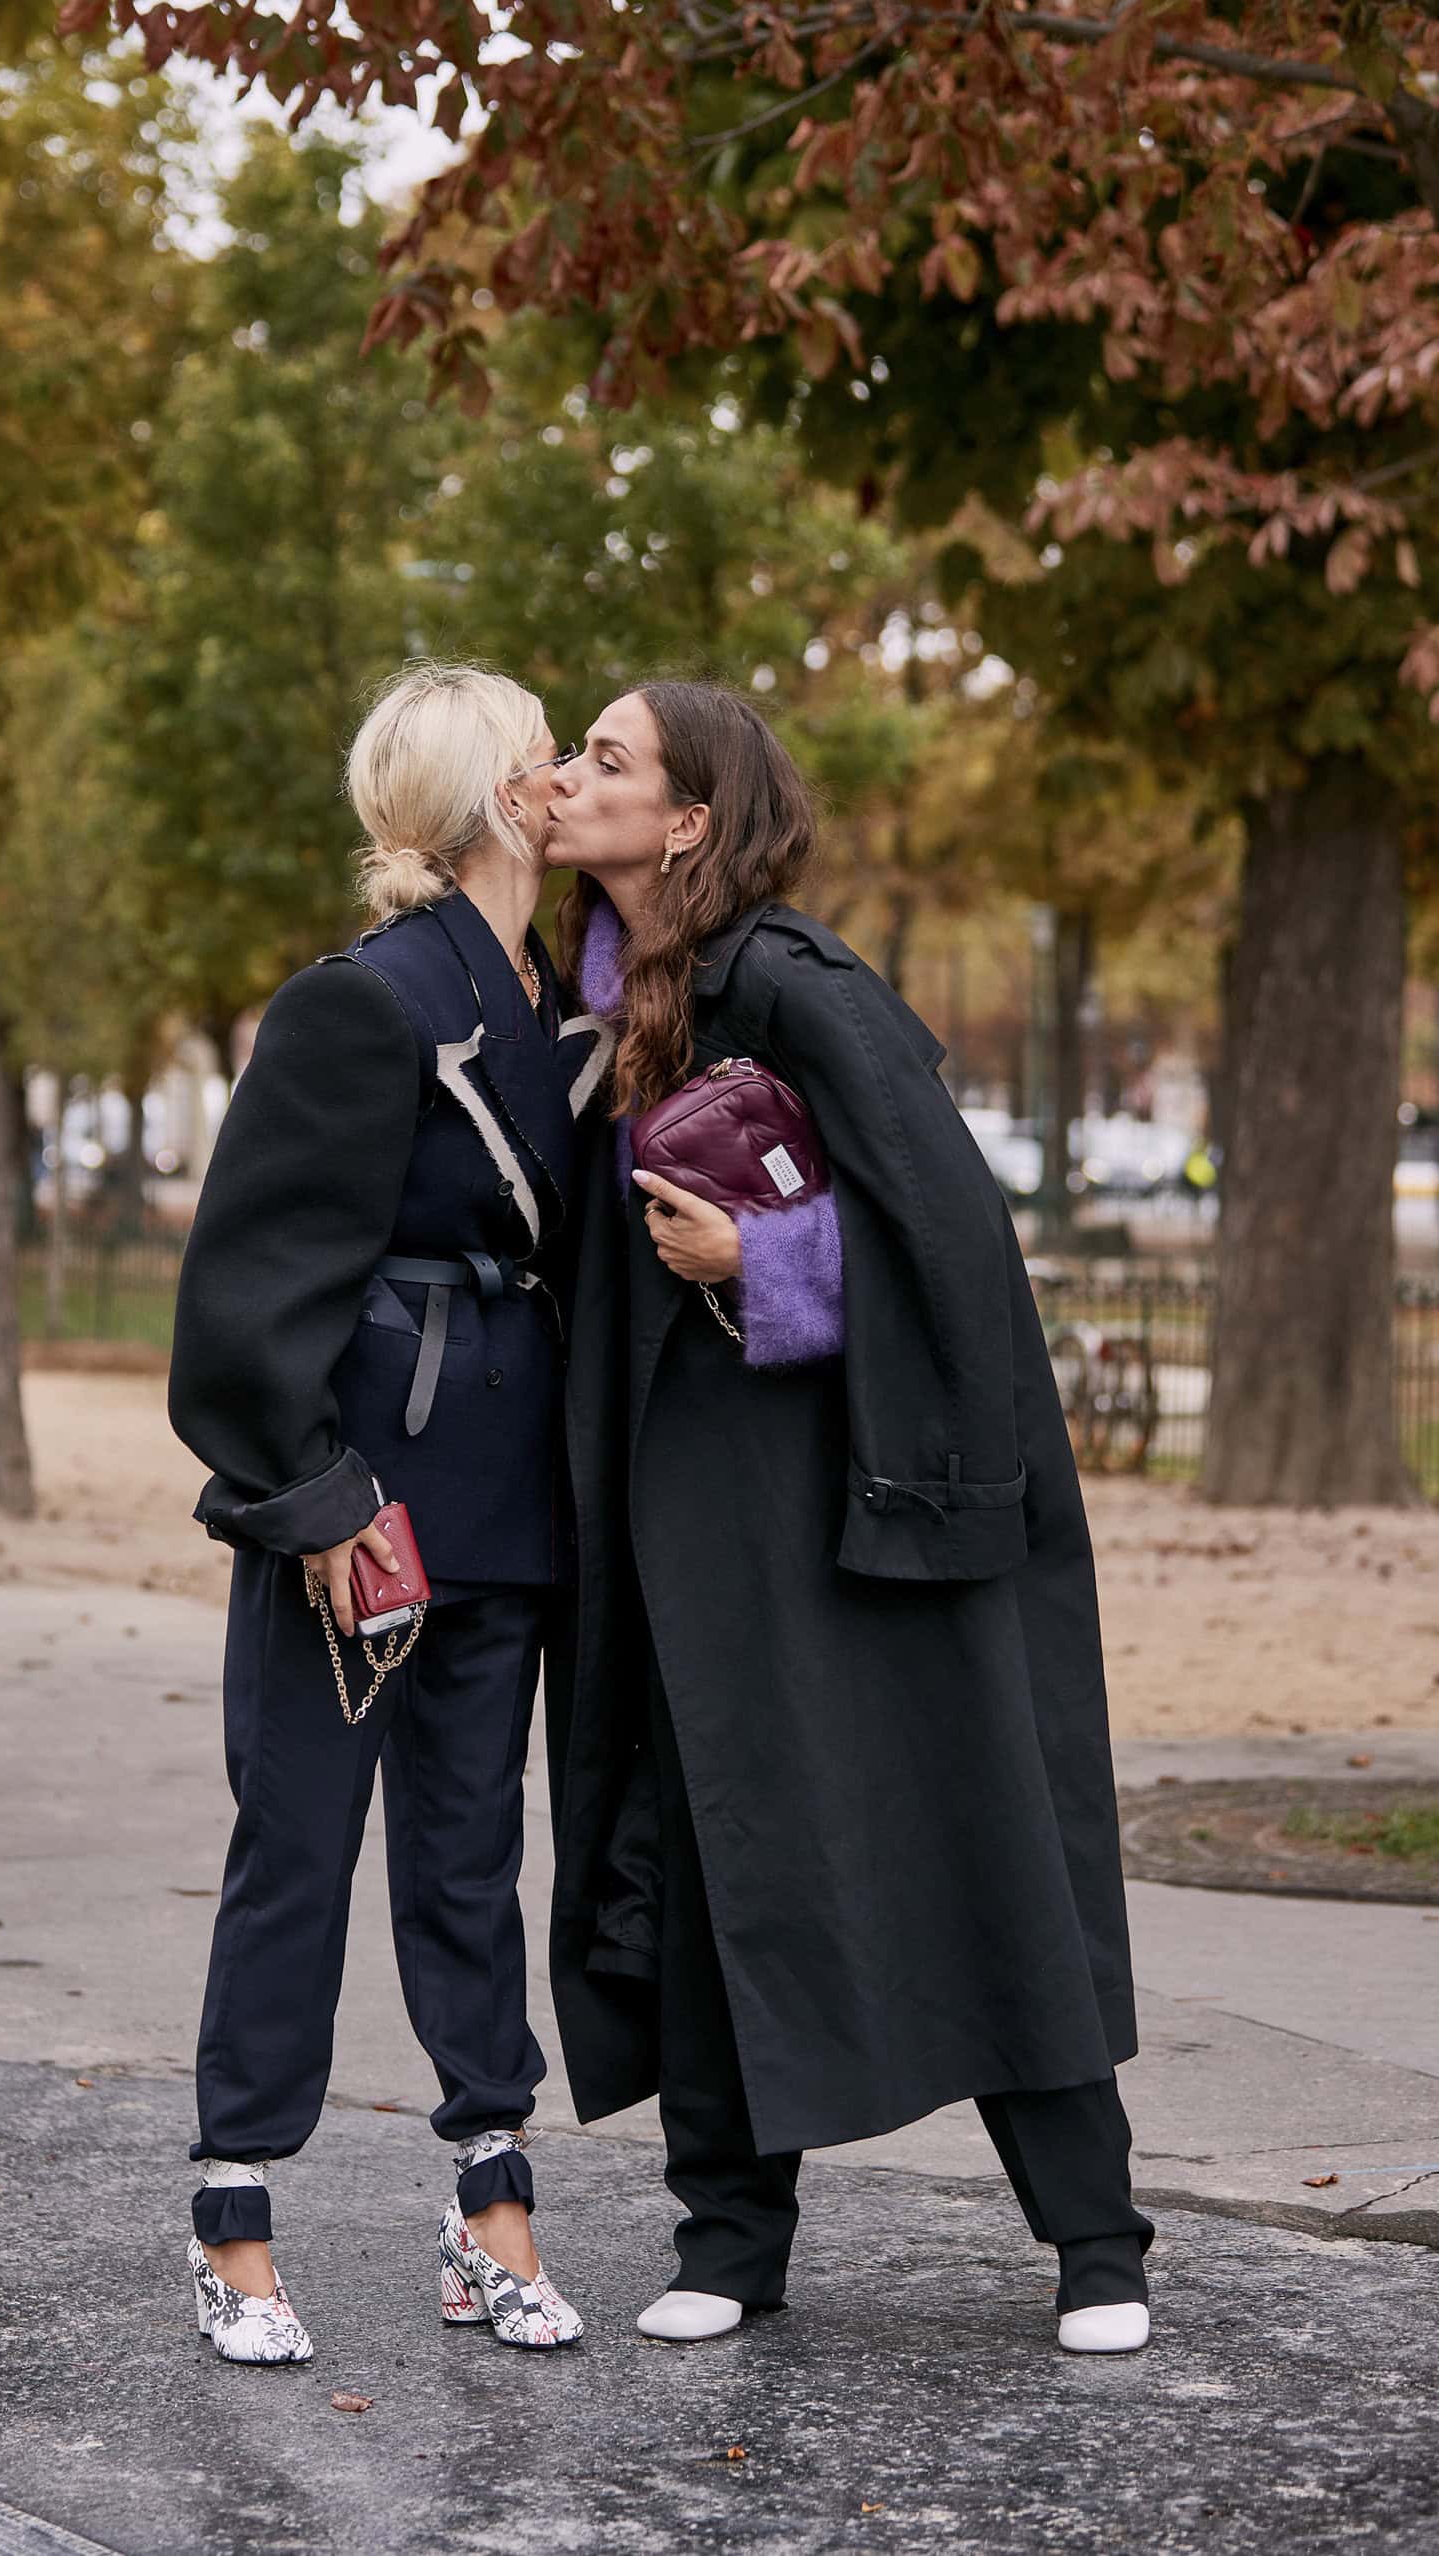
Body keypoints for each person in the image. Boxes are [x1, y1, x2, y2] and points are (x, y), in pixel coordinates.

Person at [541, 680, 1155, 2357]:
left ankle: (1100, 2244)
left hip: (856, 1509)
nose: (565, 777)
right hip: (691, 1531)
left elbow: (958, 1243)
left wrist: (768, 1263)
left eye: (607, 759)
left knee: (971, 1842)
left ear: (688, 820)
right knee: (713, 1857)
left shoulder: (794, 987)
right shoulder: (593, 1011)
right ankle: (730, 2240)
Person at [167, 662, 612, 2365]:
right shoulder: (362, 1004)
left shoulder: (567, 993)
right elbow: (244, 1292)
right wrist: (320, 1499)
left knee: (470, 1856)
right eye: (547, 756)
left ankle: (489, 2205)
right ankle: (233, 2216)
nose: (569, 778)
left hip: (508, 1492)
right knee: (297, 1848)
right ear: (502, 798)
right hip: (359, 1499)